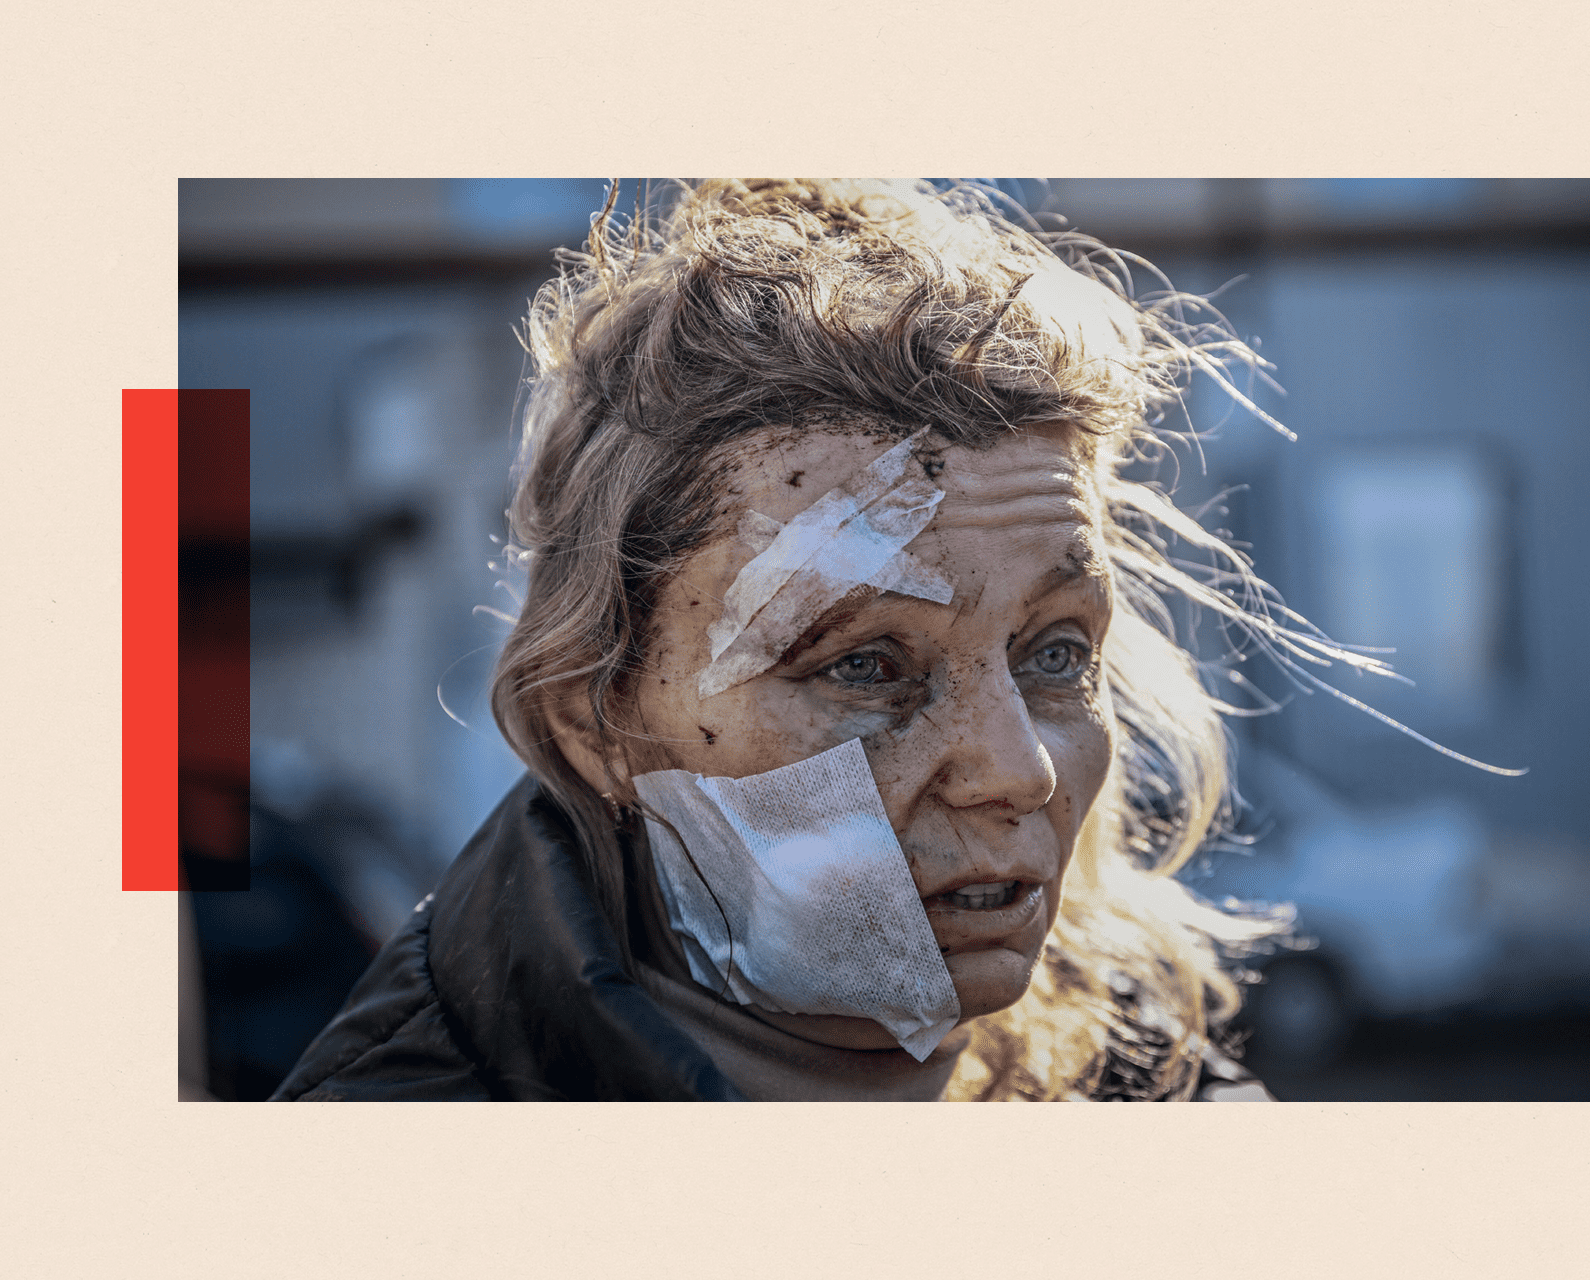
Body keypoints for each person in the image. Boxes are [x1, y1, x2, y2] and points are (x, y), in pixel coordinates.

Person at [274, 178, 1352, 1102]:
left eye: (1058, 652)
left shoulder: (1150, 1082)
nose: (1018, 770)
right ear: (595, 721)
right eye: (866, 666)